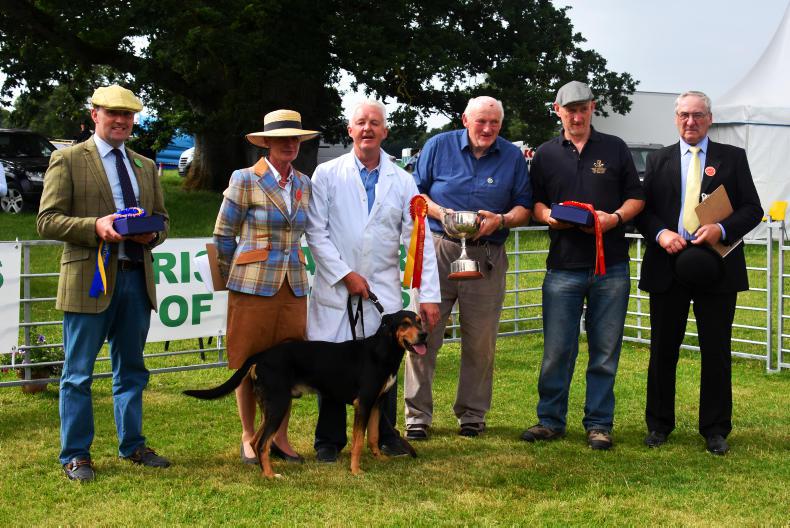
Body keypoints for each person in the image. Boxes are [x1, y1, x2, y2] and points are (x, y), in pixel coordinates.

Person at [36, 85, 170, 482]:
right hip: (88, 281)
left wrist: (153, 234)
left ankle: (133, 444)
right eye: (113, 113)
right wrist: (95, 226)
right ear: (95, 114)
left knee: (132, 370)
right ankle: (76, 455)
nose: (121, 121)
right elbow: (47, 220)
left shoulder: (145, 165)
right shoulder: (67, 159)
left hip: (136, 280)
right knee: (77, 373)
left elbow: (163, 219)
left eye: (128, 115)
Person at [306, 99, 441, 462]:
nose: (367, 128)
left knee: (386, 361)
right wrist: (344, 274)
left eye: (375, 123)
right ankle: (329, 440)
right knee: (333, 362)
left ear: (385, 131)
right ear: (350, 130)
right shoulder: (327, 174)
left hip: (382, 290)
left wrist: (428, 295)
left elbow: (418, 242)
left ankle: (385, 436)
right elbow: (315, 232)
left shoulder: (403, 180)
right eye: (361, 122)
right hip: (336, 285)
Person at [635, 91, 762, 455]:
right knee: (662, 348)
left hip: (716, 266)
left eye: (698, 115)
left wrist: (721, 229)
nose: (690, 122)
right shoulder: (658, 159)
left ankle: (715, 429)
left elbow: (752, 209)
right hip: (667, 264)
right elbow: (643, 211)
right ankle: (659, 424)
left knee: (716, 349)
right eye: (684, 115)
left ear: (710, 118)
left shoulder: (732, 158)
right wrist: (661, 233)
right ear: (676, 118)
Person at [521, 81, 644, 450]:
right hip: (563, 266)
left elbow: (636, 197)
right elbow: (535, 202)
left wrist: (614, 218)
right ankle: (550, 420)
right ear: (557, 111)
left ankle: (599, 424)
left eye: (582, 109)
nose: (576, 116)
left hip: (611, 267)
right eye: (569, 110)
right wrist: (548, 217)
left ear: (593, 108)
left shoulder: (615, 148)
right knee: (557, 350)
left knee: (605, 352)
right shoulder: (545, 153)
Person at [404, 96, 532, 439]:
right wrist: (443, 214)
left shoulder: (512, 156)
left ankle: (472, 414)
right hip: (437, 252)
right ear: (465, 120)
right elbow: (415, 193)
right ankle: (417, 416)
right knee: (422, 334)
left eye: (494, 123)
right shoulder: (437, 146)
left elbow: (524, 207)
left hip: (487, 255)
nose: (487, 129)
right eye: (481, 122)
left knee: (481, 341)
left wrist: (501, 220)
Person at [213, 109, 318, 465]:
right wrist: (233, 278)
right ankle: (249, 435)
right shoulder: (244, 178)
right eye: (282, 138)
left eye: (295, 138)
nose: (290, 144)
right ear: (267, 143)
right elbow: (223, 235)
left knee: (289, 364)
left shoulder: (304, 182)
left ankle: (279, 437)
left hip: (294, 286)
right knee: (248, 362)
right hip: (251, 286)